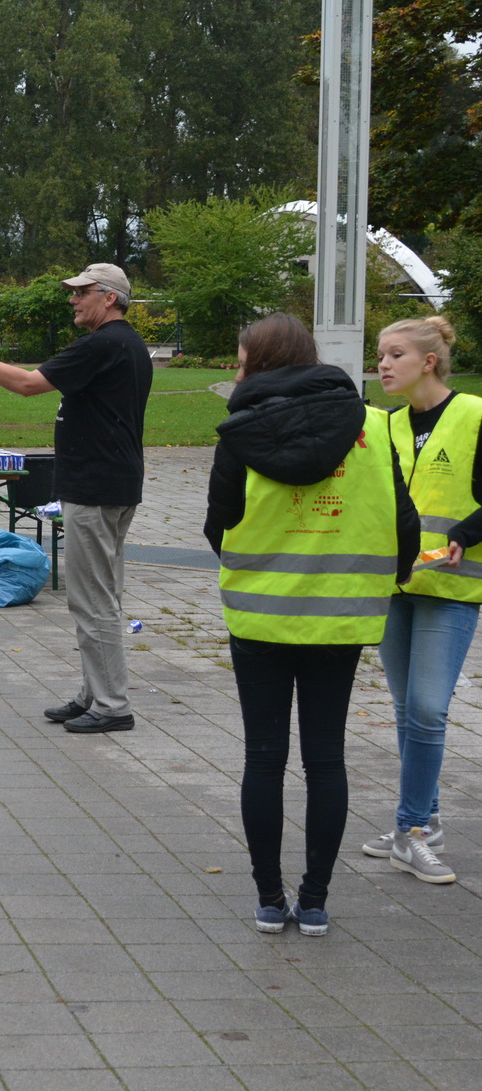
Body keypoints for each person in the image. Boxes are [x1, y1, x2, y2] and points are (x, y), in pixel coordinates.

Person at [204, 314, 416, 937]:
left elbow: (218, 526)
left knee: (263, 758)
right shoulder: (374, 427)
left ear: (261, 363)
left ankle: (270, 900)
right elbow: (403, 522)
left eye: (241, 359)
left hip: (259, 616)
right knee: (327, 758)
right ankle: (316, 901)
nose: (237, 371)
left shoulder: (238, 434)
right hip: (343, 615)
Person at [0, 263, 152, 734]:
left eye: (81, 292)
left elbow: (27, 384)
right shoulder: (128, 344)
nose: (72, 299)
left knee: (92, 600)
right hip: (113, 483)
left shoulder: (104, 343)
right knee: (101, 595)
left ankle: (111, 705)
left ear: (109, 297)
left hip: (95, 488)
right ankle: (94, 693)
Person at [361, 316, 474, 885]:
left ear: (429, 360)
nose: (383, 363)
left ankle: (412, 830)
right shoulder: (384, 425)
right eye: (380, 354)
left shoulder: (474, 414)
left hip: (452, 590)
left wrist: (467, 533)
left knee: (428, 709)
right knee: (408, 712)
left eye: (395, 354)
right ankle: (421, 824)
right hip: (397, 587)